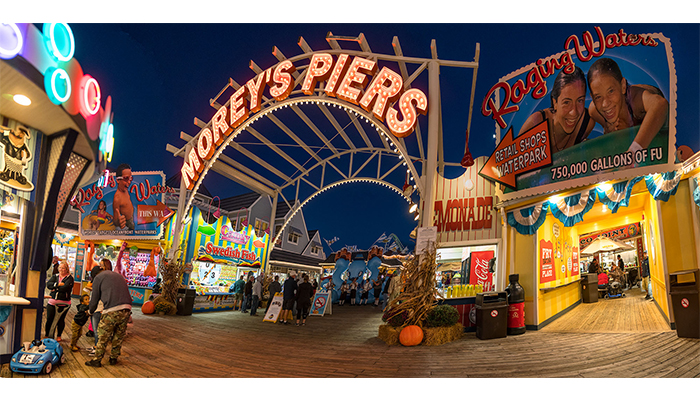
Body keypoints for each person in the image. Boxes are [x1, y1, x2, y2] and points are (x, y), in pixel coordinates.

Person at [587, 57, 669, 153]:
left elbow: (660, 104)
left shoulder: (635, 100)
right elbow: (613, 136)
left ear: (623, 86)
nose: (605, 104)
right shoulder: (595, 111)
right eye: (598, 97)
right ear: (592, 97)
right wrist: (609, 128)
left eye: (611, 91)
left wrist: (633, 153)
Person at [519, 66, 596, 154]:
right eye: (566, 102)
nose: (574, 112)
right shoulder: (535, 124)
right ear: (555, 102)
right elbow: (513, 164)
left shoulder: (586, 122)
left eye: (580, 100)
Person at [84, 262, 133, 367]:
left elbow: (94, 299)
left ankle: (97, 360)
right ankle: (113, 359)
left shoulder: (98, 278)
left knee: (102, 335)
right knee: (118, 336)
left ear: (94, 275)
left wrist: (90, 311)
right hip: (127, 308)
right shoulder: (117, 276)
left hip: (112, 309)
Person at [45, 261, 74, 341]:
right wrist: (57, 285)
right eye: (60, 268)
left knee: (60, 320)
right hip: (52, 301)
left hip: (64, 303)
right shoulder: (55, 276)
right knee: (49, 319)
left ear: (66, 269)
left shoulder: (69, 278)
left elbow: (66, 288)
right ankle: (47, 335)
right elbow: (48, 285)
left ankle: (59, 335)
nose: (61, 269)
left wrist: (55, 288)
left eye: (63, 268)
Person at [113, 163, 135, 230]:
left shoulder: (125, 189)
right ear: (118, 180)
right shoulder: (117, 198)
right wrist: (119, 222)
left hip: (131, 220)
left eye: (130, 178)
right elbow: (115, 221)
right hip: (126, 224)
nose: (129, 182)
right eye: (126, 178)